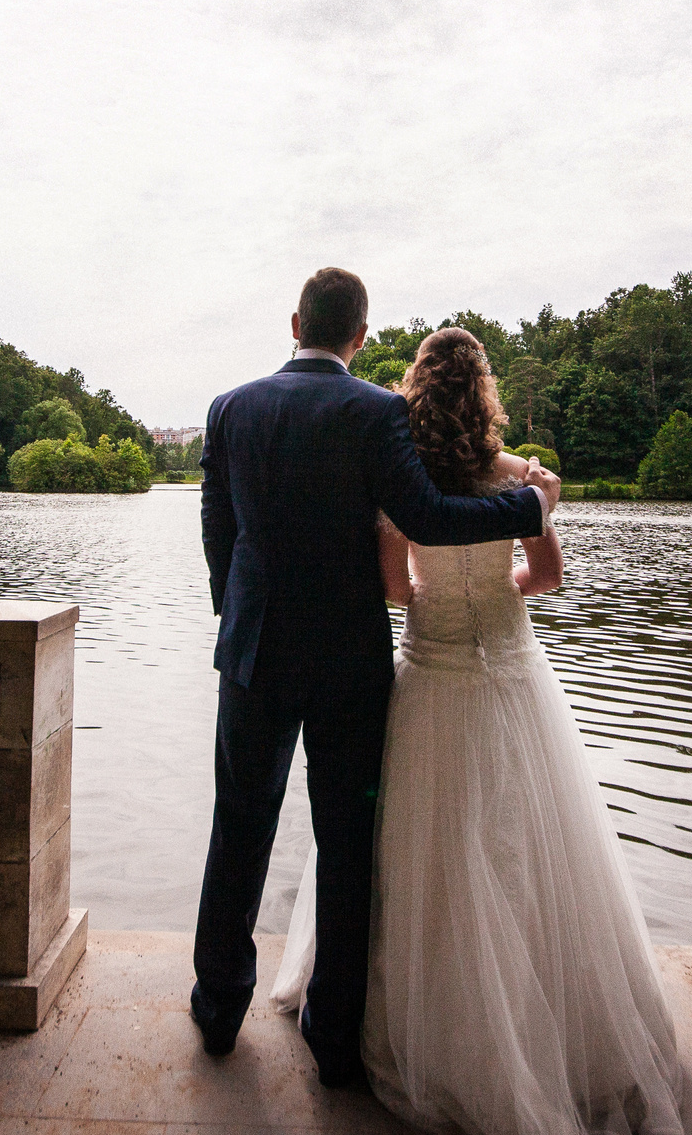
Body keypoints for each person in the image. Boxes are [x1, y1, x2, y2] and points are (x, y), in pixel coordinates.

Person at [270, 327, 686, 1135]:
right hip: (509, 675)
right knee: (526, 851)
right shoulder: (522, 482)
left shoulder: (400, 481)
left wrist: (437, 603)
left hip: (432, 678)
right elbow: (549, 576)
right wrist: (498, 594)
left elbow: (394, 594)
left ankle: (426, 1034)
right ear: (486, 393)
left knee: (425, 851)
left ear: (415, 389)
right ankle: (554, 1046)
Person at [194, 269, 558, 1090]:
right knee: (347, 844)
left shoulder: (231, 408)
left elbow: (220, 533)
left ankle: (218, 1008)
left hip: (252, 656)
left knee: (238, 829)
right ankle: (334, 1040)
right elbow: (428, 516)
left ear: (295, 322)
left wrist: (239, 613)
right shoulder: (375, 411)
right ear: (360, 334)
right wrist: (528, 510)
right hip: (348, 665)